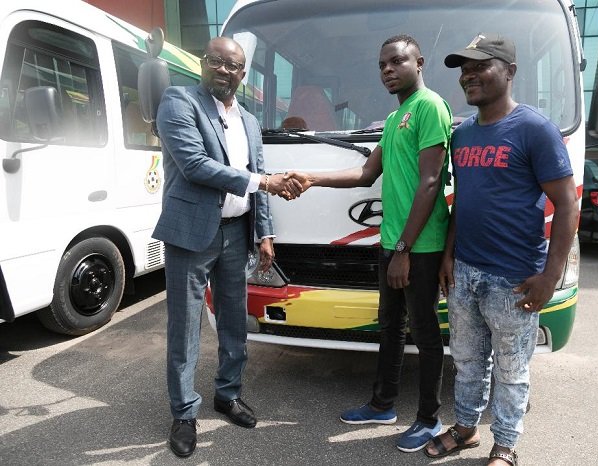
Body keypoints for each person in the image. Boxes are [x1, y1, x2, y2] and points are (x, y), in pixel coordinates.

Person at [287, 34, 452, 453]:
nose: (387, 70)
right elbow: (365, 174)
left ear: (420, 63)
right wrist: (312, 178)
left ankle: (430, 420)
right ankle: (383, 404)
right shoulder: (396, 119)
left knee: (426, 332)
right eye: (382, 65)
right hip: (393, 242)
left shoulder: (430, 107)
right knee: (391, 326)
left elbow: (431, 181)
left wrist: (403, 251)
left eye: (397, 61)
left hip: (420, 246)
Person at [423, 33, 579, 466]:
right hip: (466, 272)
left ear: (509, 72)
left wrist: (550, 276)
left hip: (513, 278)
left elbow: (567, 204)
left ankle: (506, 444)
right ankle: (467, 427)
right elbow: (463, 203)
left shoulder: (534, 129)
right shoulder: (464, 134)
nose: (468, 75)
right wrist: (450, 255)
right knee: (468, 360)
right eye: (463, 68)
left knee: (512, 371)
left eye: (480, 65)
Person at [154, 37, 301, 458]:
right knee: (185, 327)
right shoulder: (179, 102)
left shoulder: (250, 121)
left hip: (237, 232)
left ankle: (228, 394)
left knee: (235, 321)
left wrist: (265, 233)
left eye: (232, 65)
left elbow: (261, 177)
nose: (223, 69)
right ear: (204, 64)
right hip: (191, 234)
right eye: (216, 61)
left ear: (242, 74)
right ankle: (184, 413)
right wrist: (262, 182)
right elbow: (196, 165)